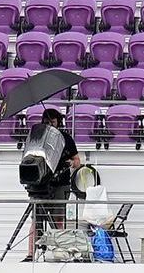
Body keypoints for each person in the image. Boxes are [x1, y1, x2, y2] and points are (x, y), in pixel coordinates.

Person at [18, 106, 95, 261]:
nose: (50, 124)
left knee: (58, 218)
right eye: (47, 121)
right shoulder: (37, 139)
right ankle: (30, 254)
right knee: (36, 220)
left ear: (59, 122)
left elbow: (77, 160)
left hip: (60, 183)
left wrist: (71, 164)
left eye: (52, 121)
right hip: (41, 184)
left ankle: (61, 252)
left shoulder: (66, 138)